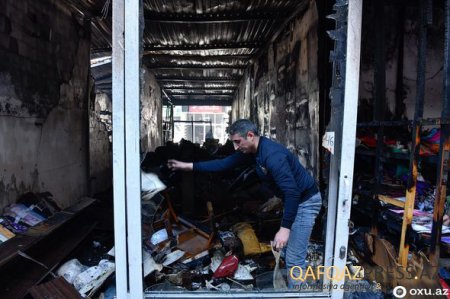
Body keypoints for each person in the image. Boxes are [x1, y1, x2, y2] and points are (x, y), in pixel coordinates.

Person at [168, 119, 322, 288]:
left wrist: (285, 229)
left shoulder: (272, 155)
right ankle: (301, 286)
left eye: (237, 142)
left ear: (250, 135)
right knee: (287, 253)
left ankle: (300, 293)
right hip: (293, 200)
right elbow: (224, 164)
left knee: (294, 259)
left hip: (305, 202)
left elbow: (293, 193)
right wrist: (187, 166)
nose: (235, 147)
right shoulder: (253, 151)